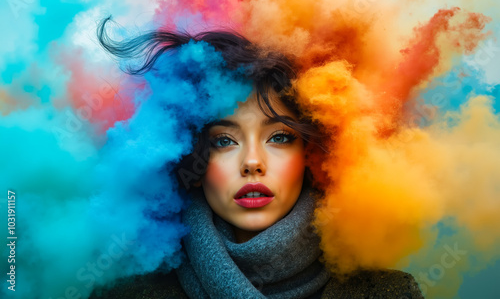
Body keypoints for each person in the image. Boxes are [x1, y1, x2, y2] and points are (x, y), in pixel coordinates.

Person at [91, 20, 424, 299]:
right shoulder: (131, 293)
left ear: (313, 154)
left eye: (279, 137)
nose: (252, 162)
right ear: (189, 157)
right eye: (224, 141)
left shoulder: (386, 293)